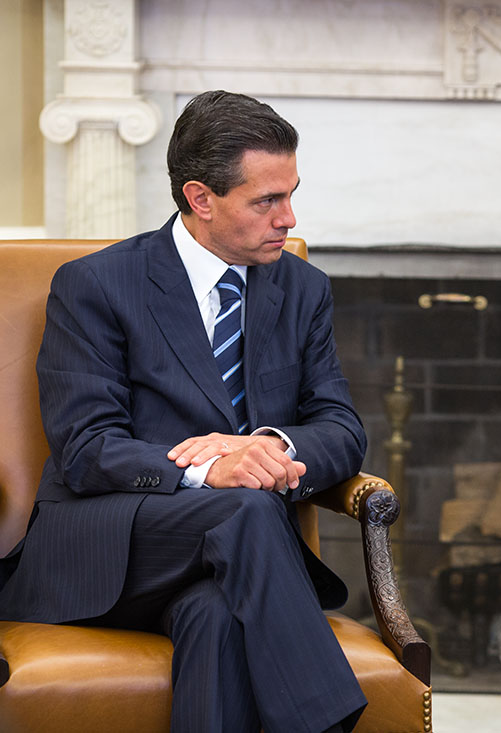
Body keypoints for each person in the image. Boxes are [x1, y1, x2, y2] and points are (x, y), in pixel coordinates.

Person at [0, 91, 368, 733]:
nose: (289, 217)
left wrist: (267, 447)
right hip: (107, 542)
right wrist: (211, 470)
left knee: (218, 617)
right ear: (200, 199)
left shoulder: (302, 288)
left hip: (237, 561)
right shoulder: (96, 285)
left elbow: (341, 429)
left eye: (291, 193)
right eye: (266, 201)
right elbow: (87, 449)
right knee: (245, 507)